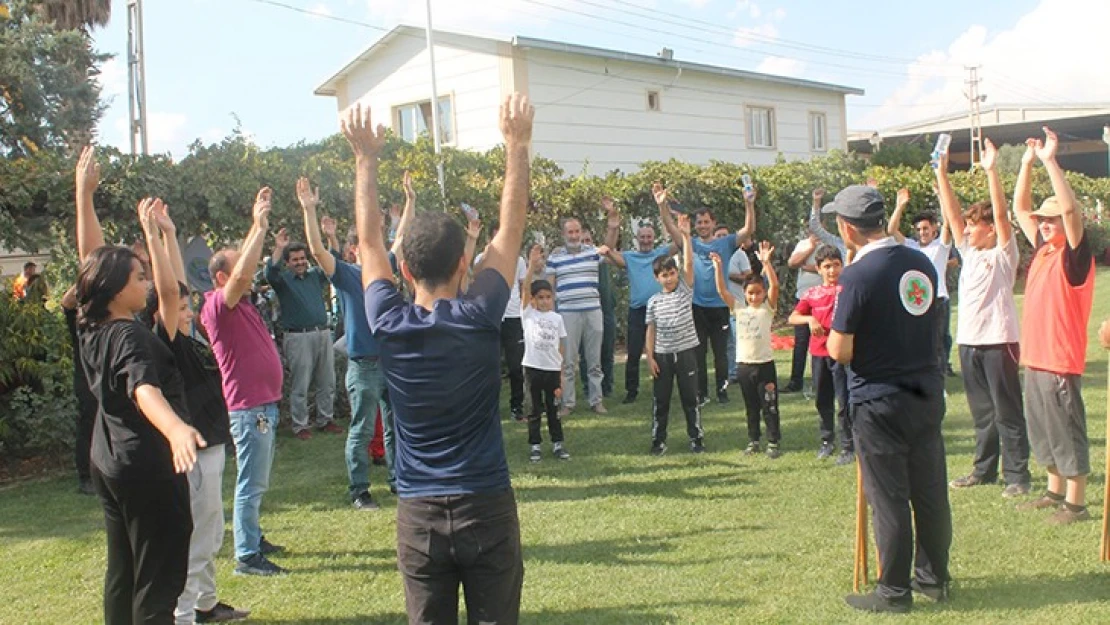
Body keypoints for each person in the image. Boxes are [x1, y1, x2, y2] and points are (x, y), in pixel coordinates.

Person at [354, 95, 533, 624]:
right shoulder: (480, 314)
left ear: (404, 272)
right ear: (464, 264)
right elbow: (511, 228)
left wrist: (366, 160)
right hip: (486, 505)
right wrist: (515, 144)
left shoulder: (387, 321)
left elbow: (367, 242)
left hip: (420, 517)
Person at [75, 145, 205, 624]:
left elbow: (93, 260)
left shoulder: (93, 325)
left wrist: (84, 195)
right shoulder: (130, 335)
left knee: (123, 574)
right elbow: (143, 389)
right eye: (138, 277)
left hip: (109, 463)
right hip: (148, 466)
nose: (147, 283)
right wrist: (174, 429)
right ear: (116, 289)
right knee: (157, 584)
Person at [825, 184, 951, 613]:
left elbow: (840, 350)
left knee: (889, 497)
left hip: (879, 398)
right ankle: (934, 579)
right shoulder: (919, 261)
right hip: (925, 388)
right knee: (930, 490)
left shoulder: (858, 274)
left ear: (847, 229)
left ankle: (894, 592)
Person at [137, 202, 249, 624]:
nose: (188, 312)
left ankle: (205, 603)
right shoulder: (164, 342)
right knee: (196, 537)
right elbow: (170, 291)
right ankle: (183, 613)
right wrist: (156, 238)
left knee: (211, 532)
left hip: (211, 446)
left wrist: (170, 234)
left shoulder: (188, 336)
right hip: (195, 452)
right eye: (181, 310)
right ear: (160, 315)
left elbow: (175, 287)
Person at [297, 174, 410, 511]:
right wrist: (309, 210)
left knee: (395, 427)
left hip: (392, 362)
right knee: (361, 430)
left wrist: (410, 201)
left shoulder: (387, 265)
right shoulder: (346, 274)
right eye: (366, 241)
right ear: (353, 250)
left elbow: (401, 237)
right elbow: (317, 250)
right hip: (363, 366)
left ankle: (398, 482)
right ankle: (359, 490)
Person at [934, 139, 1030, 497]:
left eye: (976, 226)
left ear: (990, 230)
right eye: (969, 227)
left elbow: (1003, 215)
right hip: (969, 343)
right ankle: (983, 471)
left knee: (1007, 411)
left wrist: (991, 171)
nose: (969, 230)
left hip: (999, 341)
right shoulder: (970, 254)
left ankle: (1018, 476)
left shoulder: (1004, 254)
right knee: (982, 413)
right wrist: (942, 174)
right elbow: (953, 214)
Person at [200, 187, 289, 577]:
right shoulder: (218, 305)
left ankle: (252, 536)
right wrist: (257, 225)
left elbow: (244, 271)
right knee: (251, 483)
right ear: (223, 276)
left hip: (262, 404)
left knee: (257, 480)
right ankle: (247, 556)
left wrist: (260, 228)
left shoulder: (242, 304)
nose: (250, 273)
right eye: (241, 269)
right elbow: (242, 273)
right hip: (249, 408)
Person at [1012, 128, 1096, 525]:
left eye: (1051, 220)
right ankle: (1053, 490)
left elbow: (1070, 211)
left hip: (1061, 361)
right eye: (1042, 221)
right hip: (1036, 360)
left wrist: (1049, 161)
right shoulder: (1044, 250)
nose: (1044, 224)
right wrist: (1026, 165)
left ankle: (1076, 505)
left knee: (1067, 432)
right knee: (1044, 430)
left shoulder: (1073, 256)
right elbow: (1019, 209)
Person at [658, 180, 755, 406]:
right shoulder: (688, 242)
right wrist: (662, 206)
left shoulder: (727, 243)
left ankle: (722, 391)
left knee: (721, 354)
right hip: (696, 306)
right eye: (699, 222)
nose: (702, 225)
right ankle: (701, 394)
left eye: (705, 222)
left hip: (720, 306)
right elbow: (670, 226)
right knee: (698, 353)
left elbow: (748, 229)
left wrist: (749, 204)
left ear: (713, 224)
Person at [266, 229, 341, 440]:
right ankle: (300, 425)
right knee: (301, 384)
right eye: (295, 260)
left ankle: (325, 420)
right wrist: (279, 248)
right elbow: (269, 273)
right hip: (298, 337)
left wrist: (331, 236)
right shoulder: (283, 281)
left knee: (327, 381)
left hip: (322, 333)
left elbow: (333, 262)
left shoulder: (315, 276)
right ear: (288, 262)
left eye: (302, 258)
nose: (299, 262)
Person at [601, 196, 676, 405]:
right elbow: (606, 252)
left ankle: (662, 389)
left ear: (654, 238)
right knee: (633, 353)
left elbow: (679, 243)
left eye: (649, 237)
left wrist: (665, 210)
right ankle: (631, 392)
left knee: (662, 351)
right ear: (637, 238)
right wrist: (612, 219)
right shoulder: (630, 257)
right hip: (637, 311)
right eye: (642, 237)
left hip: (661, 309)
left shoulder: (661, 254)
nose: (645, 240)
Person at [713, 242, 781, 459]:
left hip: (765, 366)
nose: (754, 297)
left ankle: (773, 442)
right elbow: (722, 290)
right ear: (744, 293)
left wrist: (766, 263)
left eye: (758, 293)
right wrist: (718, 267)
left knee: (769, 405)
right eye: (750, 293)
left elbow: (775, 287)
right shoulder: (738, 309)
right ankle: (754, 440)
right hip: (744, 366)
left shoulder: (768, 309)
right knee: (751, 407)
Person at [645, 214, 703, 455]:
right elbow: (651, 329)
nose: (669, 278)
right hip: (663, 356)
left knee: (690, 399)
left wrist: (687, 237)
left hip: (687, 352)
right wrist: (650, 356)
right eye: (664, 275)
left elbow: (688, 265)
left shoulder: (684, 292)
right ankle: (659, 441)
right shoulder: (654, 302)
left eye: (671, 273)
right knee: (661, 401)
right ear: (656, 278)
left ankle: (696, 438)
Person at [789, 244, 852, 465]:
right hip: (818, 353)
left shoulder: (846, 290)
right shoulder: (812, 294)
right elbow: (793, 317)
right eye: (827, 266)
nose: (832, 271)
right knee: (822, 398)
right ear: (818, 269)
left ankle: (848, 445)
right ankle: (827, 441)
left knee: (845, 400)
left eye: (836, 265)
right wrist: (810, 319)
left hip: (842, 353)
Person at [888, 190, 958, 376]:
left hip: (938, 299)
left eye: (925, 229)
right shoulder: (912, 246)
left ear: (934, 229)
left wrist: (941, 195)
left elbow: (948, 221)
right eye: (918, 230)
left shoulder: (941, 246)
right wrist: (900, 206)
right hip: (918, 302)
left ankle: (940, 373)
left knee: (939, 340)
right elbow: (891, 230)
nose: (922, 233)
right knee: (920, 339)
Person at [546, 218, 608, 415]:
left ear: (582, 233)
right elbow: (549, 288)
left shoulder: (593, 253)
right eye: (570, 232)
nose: (574, 236)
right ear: (563, 235)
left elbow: (610, 245)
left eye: (577, 232)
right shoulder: (555, 258)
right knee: (568, 361)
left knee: (594, 360)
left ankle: (596, 401)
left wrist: (613, 222)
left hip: (592, 310)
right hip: (567, 313)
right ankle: (568, 403)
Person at [521, 245, 569, 463]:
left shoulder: (557, 319)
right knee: (533, 408)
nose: (544, 301)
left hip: (551, 371)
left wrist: (561, 374)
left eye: (548, 297)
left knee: (553, 409)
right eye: (540, 297)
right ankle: (535, 445)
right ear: (533, 300)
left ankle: (557, 443)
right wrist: (531, 265)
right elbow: (524, 289)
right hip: (532, 368)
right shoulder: (528, 314)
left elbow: (560, 347)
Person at [61, 285, 97, 495]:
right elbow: (66, 302)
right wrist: (87, 279)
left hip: (104, 376)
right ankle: (86, 477)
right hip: (85, 376)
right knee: (88, 422)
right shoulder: (77, 318)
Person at [784, 234, 821, 393]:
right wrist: (810, 249)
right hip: (802, 297)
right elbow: (792, 263)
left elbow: (831, 268)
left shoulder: (829, 243)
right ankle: (795, 381)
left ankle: (819, 381)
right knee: (801, 342)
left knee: (820, 340)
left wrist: (807, 267)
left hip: (822, 298)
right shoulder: (803, 244)